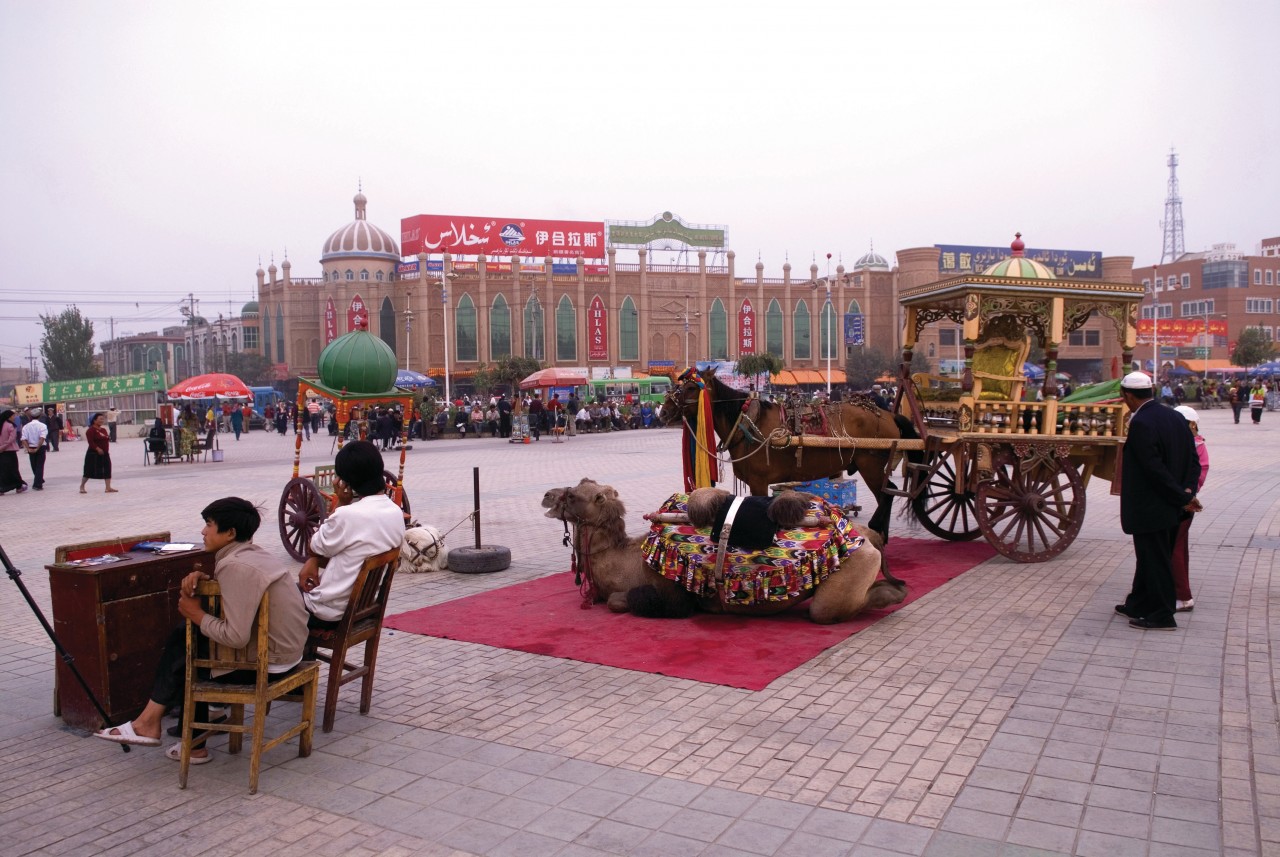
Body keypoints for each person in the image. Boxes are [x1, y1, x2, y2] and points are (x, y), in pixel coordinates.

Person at [94, 497, 309, 761]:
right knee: (186, 637)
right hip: (288, 652)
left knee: (187, 648)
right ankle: (185, 735)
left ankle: (153, 724)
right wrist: (205, 581)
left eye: (209, 525)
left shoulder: (236, 566)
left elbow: (236, 636)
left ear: (230, 533)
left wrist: (196, 614)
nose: (203, 532)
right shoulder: (251, 554)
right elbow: (239, 600)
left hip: (270, 664)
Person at [1115, 372, 1201, 631]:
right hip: (1175, 503)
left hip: (1153, 505)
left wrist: (1179, 495)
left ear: (1127, 395)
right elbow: (1193, 460)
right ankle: (1138, 602)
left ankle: (1163, 614)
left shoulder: (1141, 423)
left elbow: (1153, 469)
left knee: (1155, 559)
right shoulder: (1175, 416)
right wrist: (1187, 492)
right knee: (1150, 556)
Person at [297, 441, 405, 626]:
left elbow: (314, 545)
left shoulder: (348, 515)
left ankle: (293, 652)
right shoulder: (396, 512)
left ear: (345, 482)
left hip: (329, 611)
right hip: (364, 607)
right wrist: (314, 560)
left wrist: (340, 502)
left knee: (274, 595)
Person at [1170, 405, 1208, 614]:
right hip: (1184, 500)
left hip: (1182, 502)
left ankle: (1183, 595)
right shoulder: (1192, 444)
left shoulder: (1194, 445)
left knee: (1174, 548)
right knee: (1178, 548)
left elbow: (1196, 476)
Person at [79, 412, 118, 493]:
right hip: (93, 454)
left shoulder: (103, 430)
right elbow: (91, 442)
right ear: (94, 420)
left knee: (107, 469)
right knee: (88, 471)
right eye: (100, 419)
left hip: (105, 454)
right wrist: (97, 449)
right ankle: (82, 486)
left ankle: (108, 487)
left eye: (103, 419)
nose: (102, 420)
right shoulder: (90, 430)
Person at [17, 409, 48, 491]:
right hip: (40, 447)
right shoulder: (42, 426)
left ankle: (38, 480)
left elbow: (23, 439)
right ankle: (38, 484)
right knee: (39, 466)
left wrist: (28, 449)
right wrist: (38, 448)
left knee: (34, 465)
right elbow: (42, 438)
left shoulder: (26, 426)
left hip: (30, 446)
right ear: (40, 416)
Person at [0, 409, 28, 494]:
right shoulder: (11, 426)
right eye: (13, 416)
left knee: (3, 470)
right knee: (13, 469)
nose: (14, 417)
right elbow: (11, 439)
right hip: (10, 451)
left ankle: (2, 487)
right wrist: (3, 447)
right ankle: (18, 486)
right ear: (8, 417)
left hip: (1, 452)